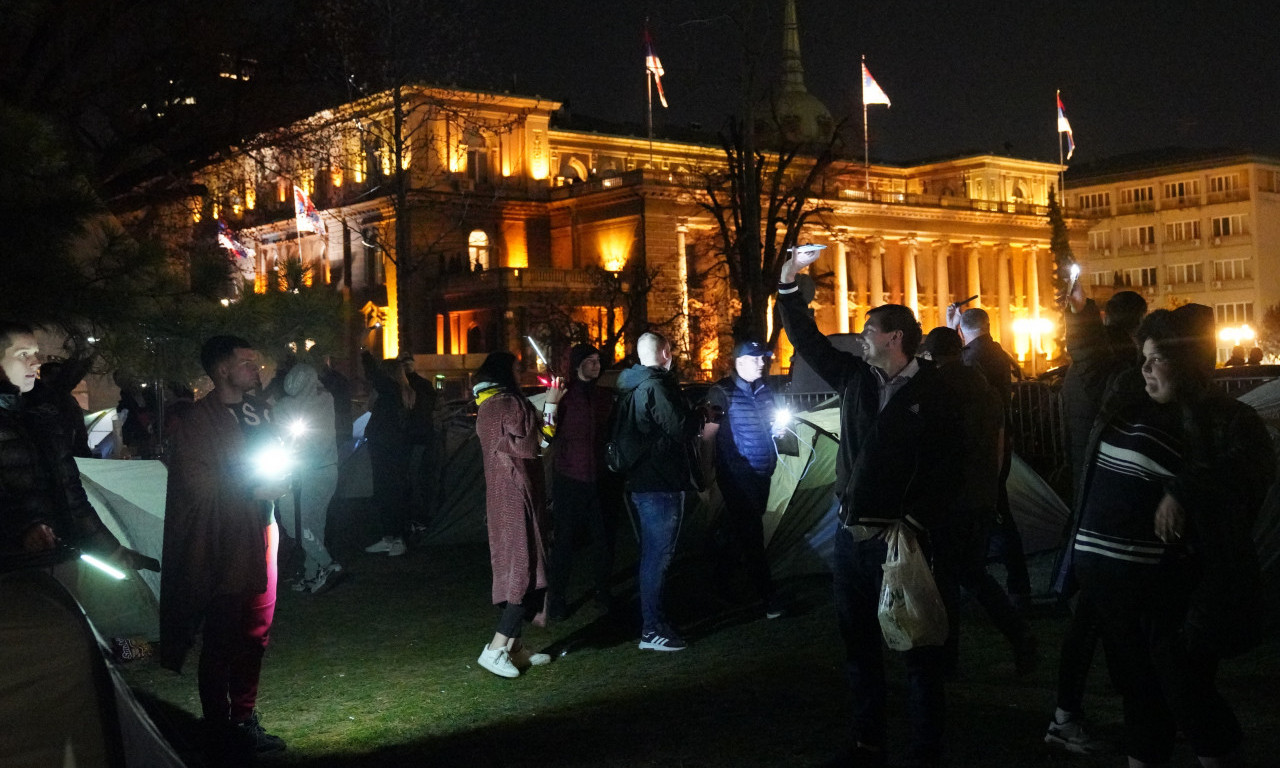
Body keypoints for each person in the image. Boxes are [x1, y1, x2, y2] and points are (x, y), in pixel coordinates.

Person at [1068, 305, 1273, 768]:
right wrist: (1078, 310)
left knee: (1189, 697)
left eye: (1156, 358)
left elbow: (1250, 470)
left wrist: (1184, 489)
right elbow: (1093, 362)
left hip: (1178, 599)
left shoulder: (1227, 419)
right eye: (1142, 356)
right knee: (1139, 698)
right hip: (1116, 597)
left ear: (1187, 362)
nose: (1143, 368)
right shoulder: (1126, 401)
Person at [779, 253, 962, 768]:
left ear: (895, 337)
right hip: (851, 537)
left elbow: (951, 467)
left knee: (917, 650)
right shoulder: (857, 379)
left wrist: (916, 521)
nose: (861, 339)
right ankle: (868, 743)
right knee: (859, 649)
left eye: (869, 332)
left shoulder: (936, 394)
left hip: (902, 544)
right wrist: (789, 282)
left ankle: (925, 750)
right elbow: (808, 341)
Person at [159, 335, 289, 759]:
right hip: (223, 540)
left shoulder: (259, 412)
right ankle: (218, 725)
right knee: (222, 634)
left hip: (262, 530)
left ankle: (243, 719)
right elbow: (196, 485)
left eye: (256, 361)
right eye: (246, 362)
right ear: (221, 370)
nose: (257, 369)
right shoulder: (197, 421)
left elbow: (272, 458)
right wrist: (255, 487)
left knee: (256, 632)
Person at [1049, 283, 1148, 753]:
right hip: (1104, 512)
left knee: (1104, 618)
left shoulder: (1088, 371)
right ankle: (1067, 714)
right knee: (1092, 617)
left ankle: (1122, 701)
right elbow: (1087, 350)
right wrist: (1081, 313)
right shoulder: (1109, 367)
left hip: (1092, 503)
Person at [918, 327, 1036, 678]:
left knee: (948, 579)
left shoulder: (936, 390)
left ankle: (948, 658)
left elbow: (933, 451)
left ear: (932, 355)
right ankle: (1020, 638)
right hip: (982, 496)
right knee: (971, 573)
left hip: (949, 500)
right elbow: (999, 445)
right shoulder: (986, 390)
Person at [1, 322, 155, 571]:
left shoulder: (44, 416)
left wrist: (111, 550)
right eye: (23, 355)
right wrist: (21, 529)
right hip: (14, 574)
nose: (35, 362)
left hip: (62, 559)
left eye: (35, 353)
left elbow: (72, 496)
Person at [472, 351, 558, 677]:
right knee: (523, 569)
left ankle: (516, 649)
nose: (521, 371)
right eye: (517, 367)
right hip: (514, 495)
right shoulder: (506, 405)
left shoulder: (490, 404)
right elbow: (534, 445)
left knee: (520, 566)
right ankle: (495, 650)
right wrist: (550, 404)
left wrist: (547, 403)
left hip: (503, 496)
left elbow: (535, 441)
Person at [615, 330, 695, 652]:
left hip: (644, 482)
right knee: (657, 559)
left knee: (653, 556)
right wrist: (698, 415)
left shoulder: (631, 385)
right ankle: (652, 630)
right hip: (659, 483)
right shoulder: (656, 386)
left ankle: (655, 624)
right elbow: (679, 428)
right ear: (664, 353)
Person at [949, 306, 1030, 609]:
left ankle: (1008, 586)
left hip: (985, 445)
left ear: (964, 329)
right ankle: (1010, 585)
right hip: (1000, 439)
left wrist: (952, 332)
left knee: (993, 514)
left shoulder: (974, 357)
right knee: (994, 514)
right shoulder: (995, 351)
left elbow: (959, 374)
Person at [701, 338, 783, 619]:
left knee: (741, 531)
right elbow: (707, 436)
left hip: (762, 473)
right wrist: (706, 475)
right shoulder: (721, 393)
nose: (764, 362)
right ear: (741, 362)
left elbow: (770, 422)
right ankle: (767, 596)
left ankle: (719, 578)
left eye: (764, 358)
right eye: (758, 358)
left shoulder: (764, 389)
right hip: (737, 475)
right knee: (751, 534)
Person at [546, 343, 616, 621]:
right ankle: (557, 598)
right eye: (589, 360)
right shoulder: (565, 396)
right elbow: (548, 434)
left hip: (598, 478)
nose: (595, 365)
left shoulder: (603, 397)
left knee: (603, 540)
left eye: (598, 360)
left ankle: (603, 592)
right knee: (564, 541)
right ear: (577, 365)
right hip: (569, 477)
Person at [273, 363, 343, 595]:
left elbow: (282, 434)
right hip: (327, 470)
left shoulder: (285, 406)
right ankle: (312, 575)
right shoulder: (326, 399)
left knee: (295, 522)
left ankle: (327, 564)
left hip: (305, 472)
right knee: (314, 524)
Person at [361, 351, 435, 556]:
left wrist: (364, 349)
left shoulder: (392, 390)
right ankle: (390, 537)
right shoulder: (400, 391)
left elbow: (372, 373)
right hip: (389, 448)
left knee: (391, 492)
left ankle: (398, 539)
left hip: (388, 449)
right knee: (387, 492)